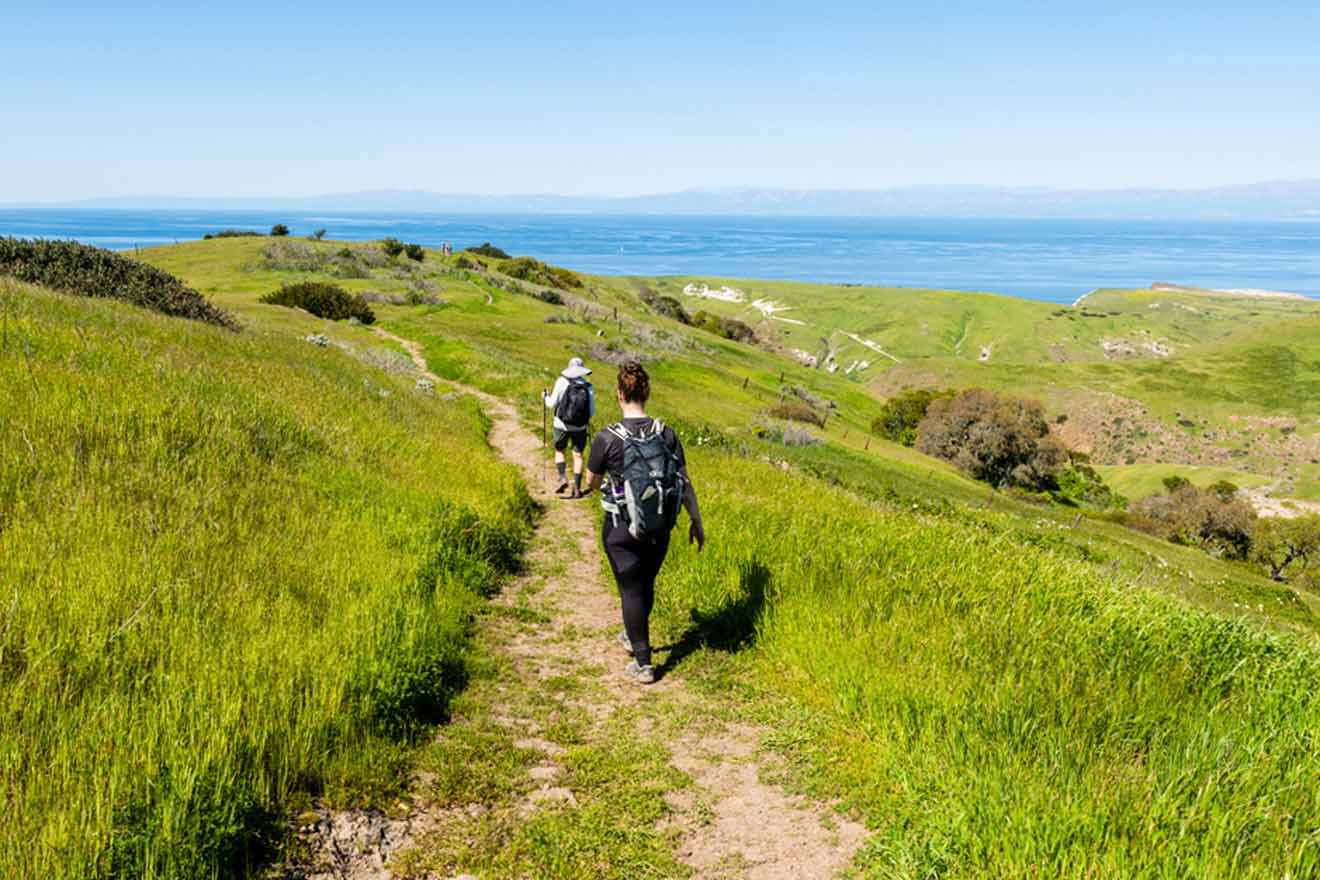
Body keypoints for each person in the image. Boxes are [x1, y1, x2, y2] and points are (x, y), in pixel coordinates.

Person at [583, 361, 705, 684]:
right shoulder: (666, 433)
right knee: (645, 583)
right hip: (661, 525)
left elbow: (592, 482)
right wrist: (696, 519)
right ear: (646, 392)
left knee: (630, 589)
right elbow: (685, 481)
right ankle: (632, 634)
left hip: (621, 526)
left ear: (619, 394)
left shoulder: (607, 438)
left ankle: (643, 662)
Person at [543, 357, 596, 497]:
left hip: (561, 425)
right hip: (580, 427)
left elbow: (551, 404)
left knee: (559, 450)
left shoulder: (562, 382)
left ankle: (562, 477)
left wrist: (545, 397)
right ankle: (577, 489)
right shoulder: (588, 386)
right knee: (578, 455)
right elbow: (592, 411)